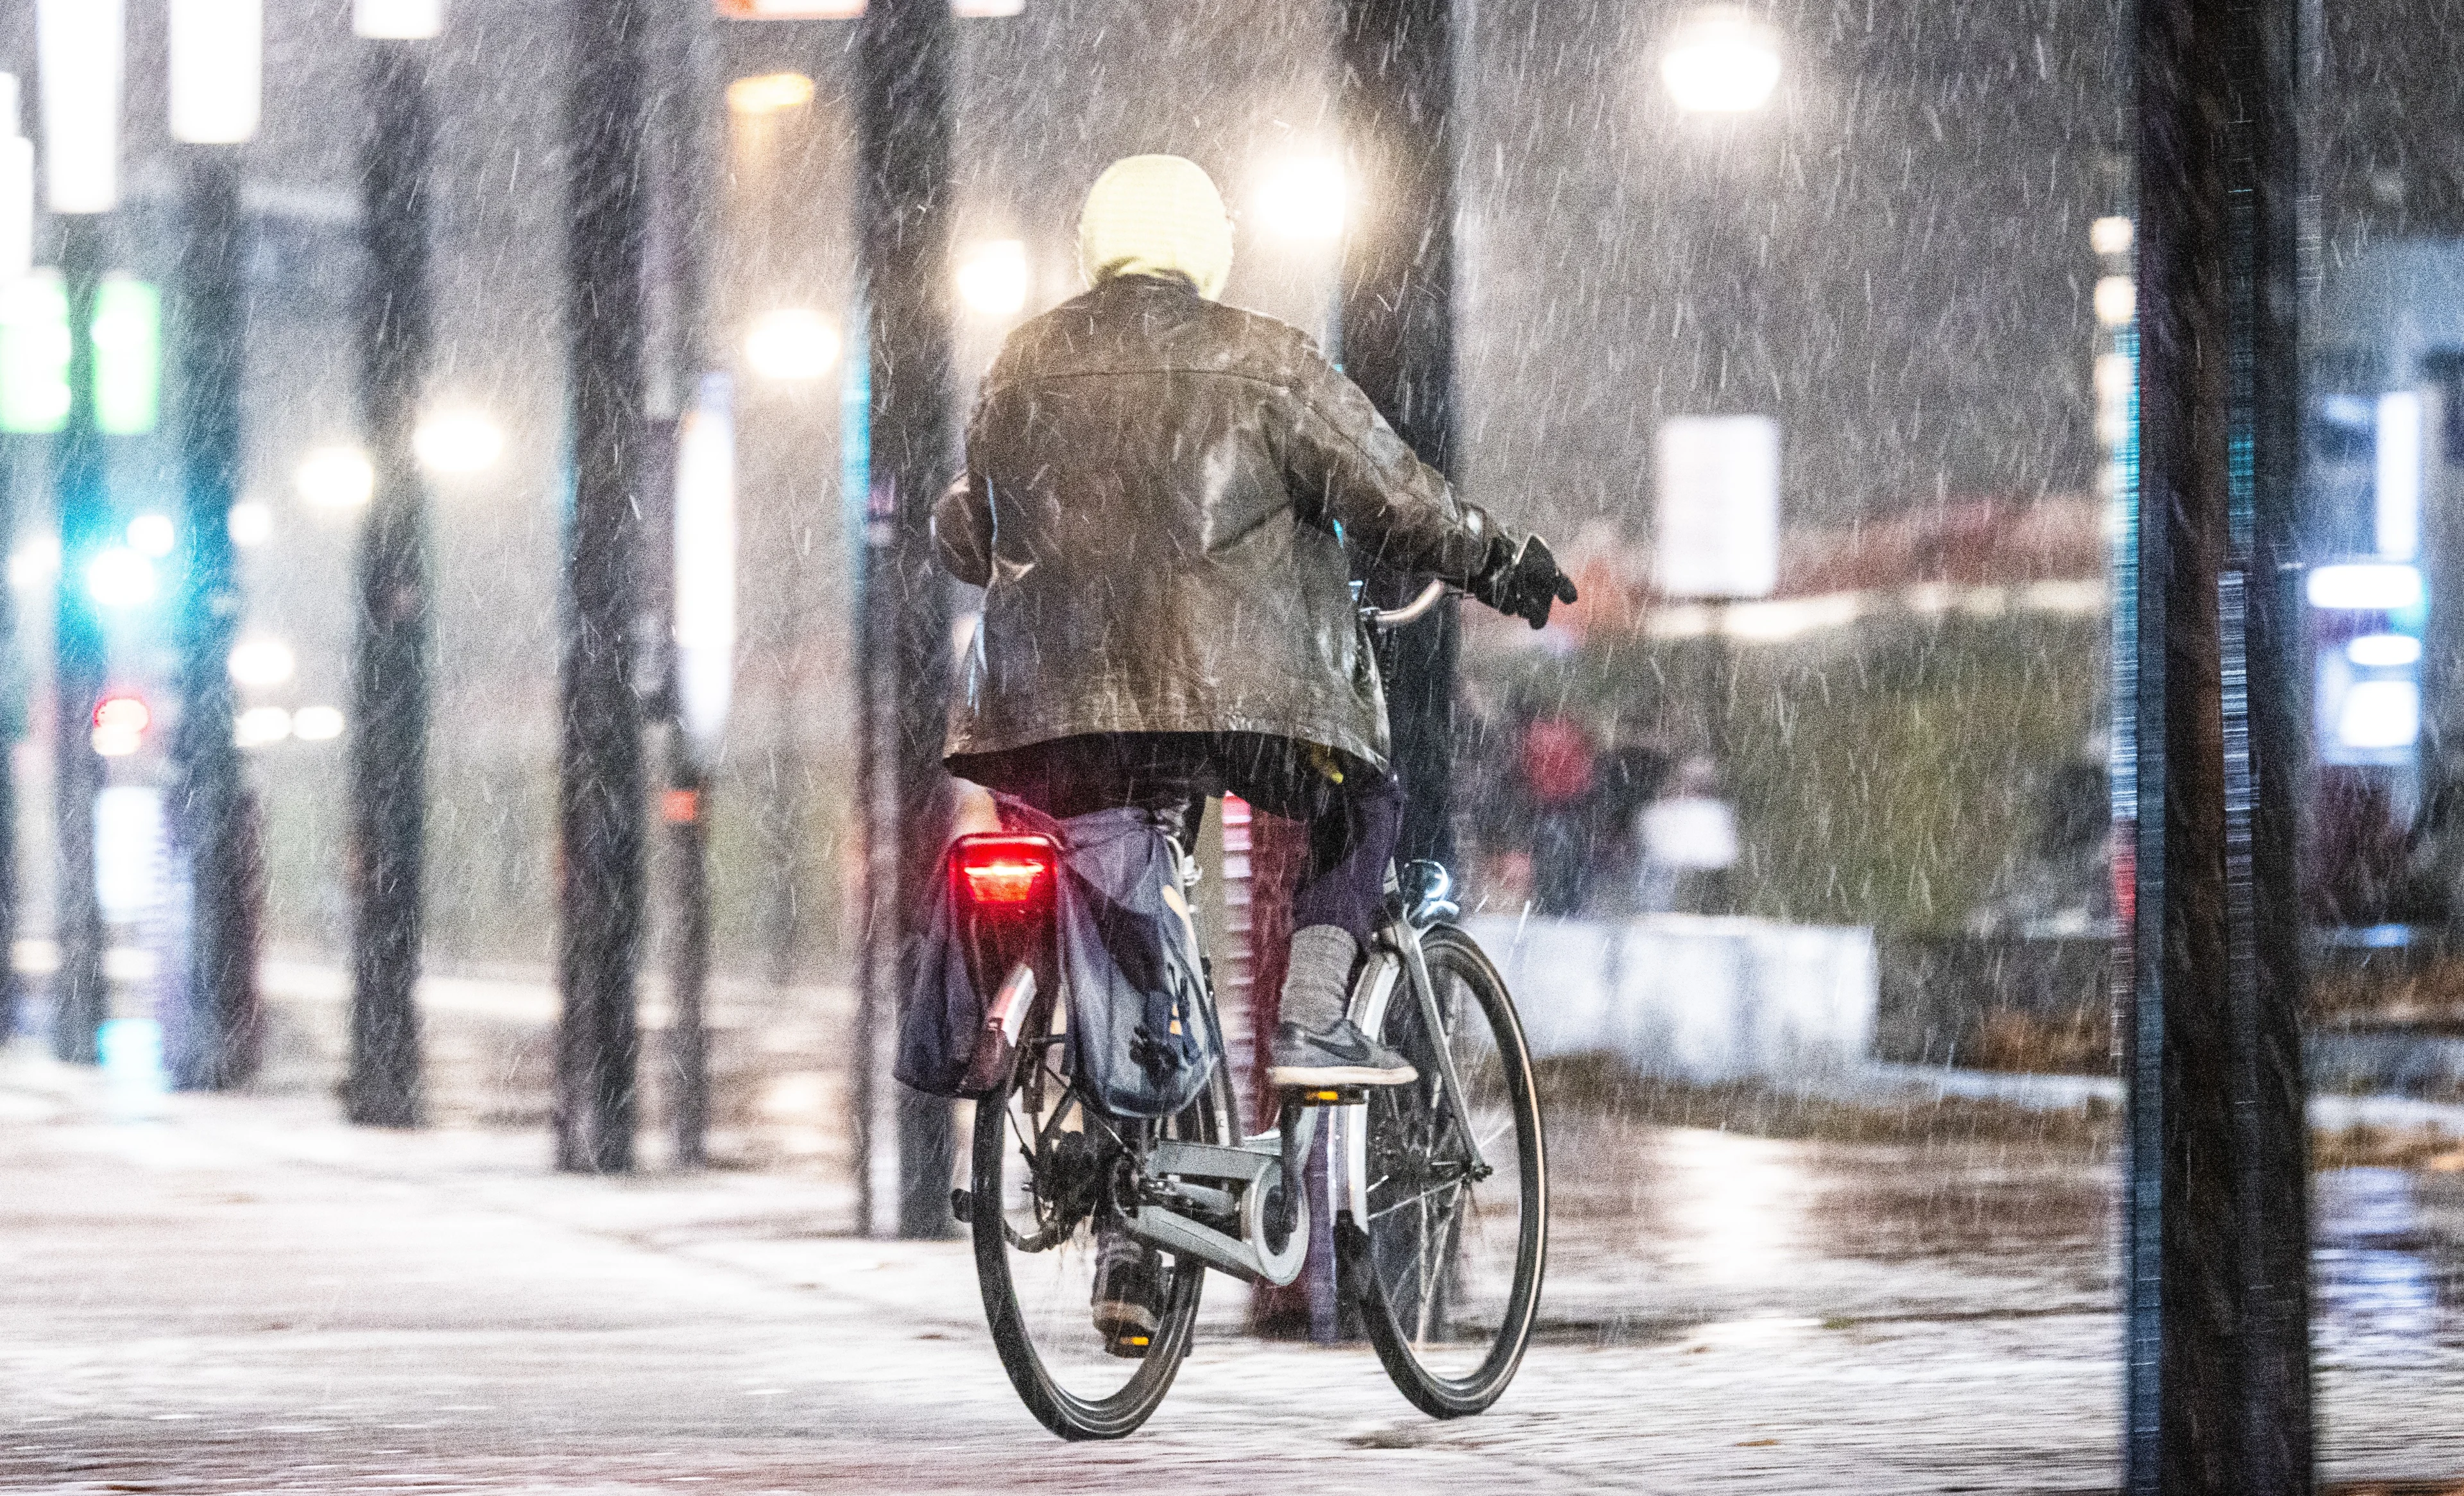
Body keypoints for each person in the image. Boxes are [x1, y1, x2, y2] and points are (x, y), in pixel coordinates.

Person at [932, 154, 1575, 1349]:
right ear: (1204, 247)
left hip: (1048, 706)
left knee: (1132, 905)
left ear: (1094, 247)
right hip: (1237, 698)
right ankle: (1318, 1016)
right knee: (1362, 800)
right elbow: (1399, 502)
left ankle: (1136, 1233)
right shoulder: (1264, 356)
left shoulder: (1024, 360)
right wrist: (1501, 562)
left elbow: (968, 525)